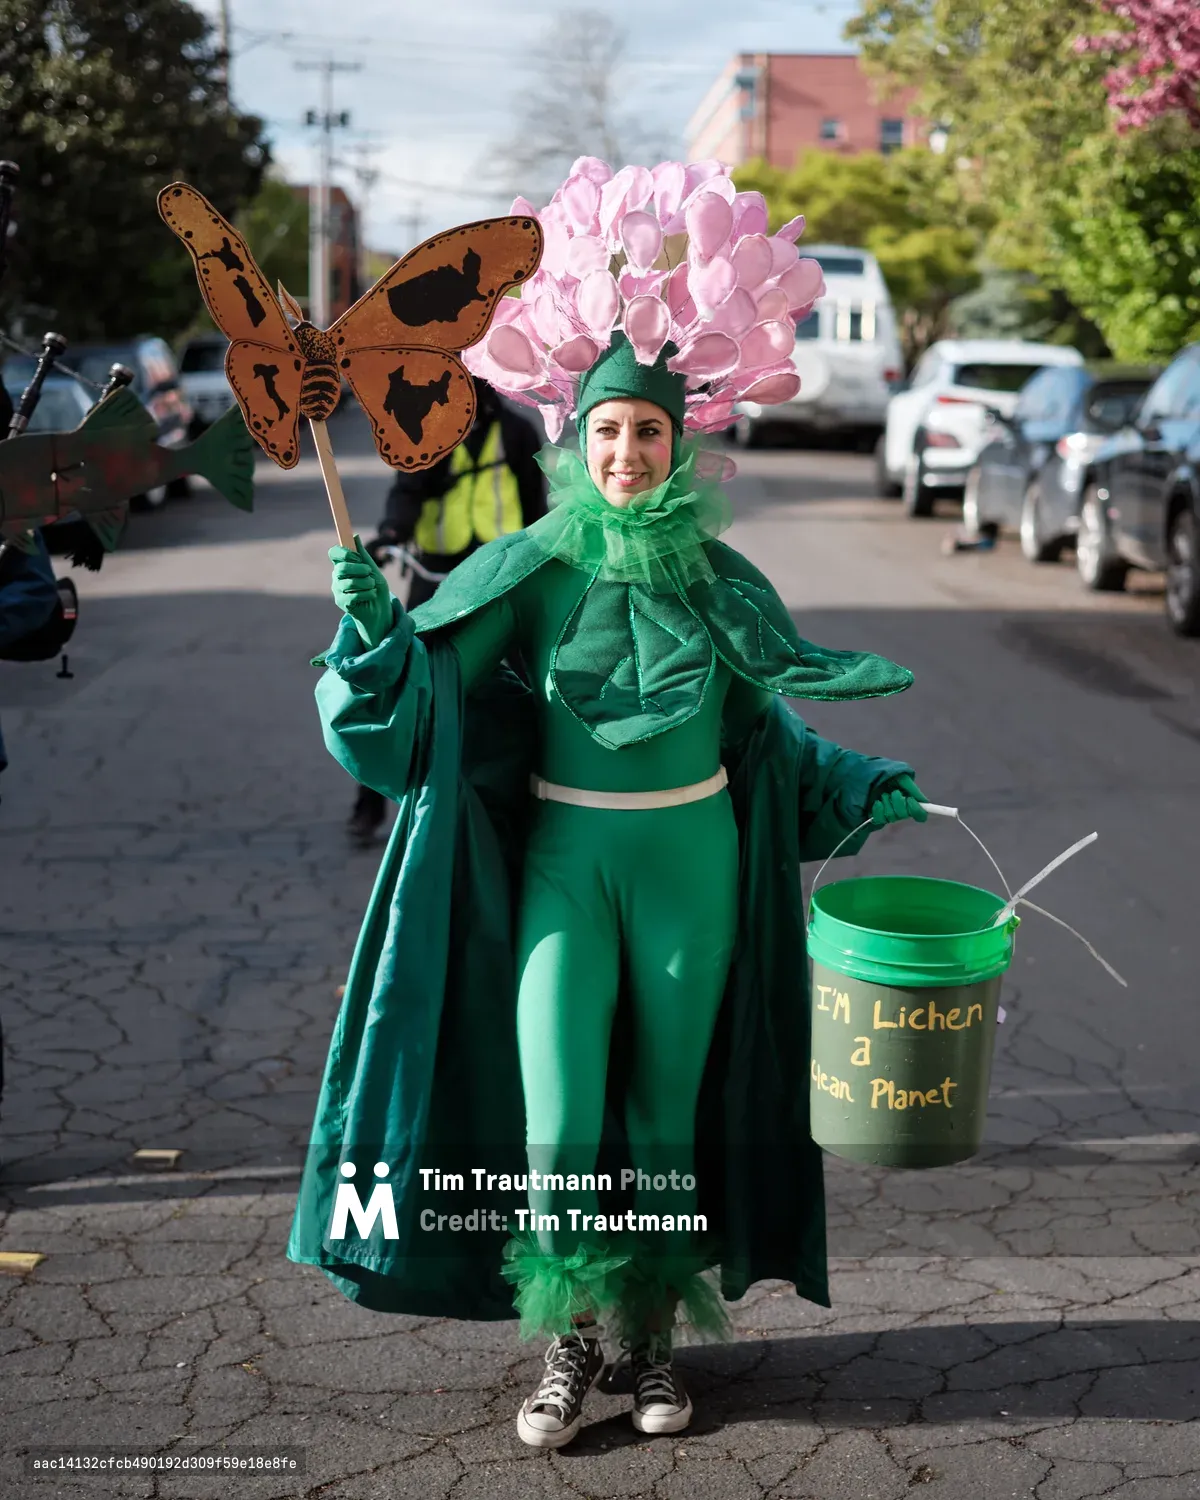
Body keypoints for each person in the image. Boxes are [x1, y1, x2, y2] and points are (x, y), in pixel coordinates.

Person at [289, 159, 928, 1451]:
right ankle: (568, 1342)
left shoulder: (721, 575)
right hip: (568, 864)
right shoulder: (529, 563)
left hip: (691, 861)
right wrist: (371, 638)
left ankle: (648, 1344)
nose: (628, 452)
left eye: (648, 431)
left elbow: (765, 721)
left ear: (680, 442)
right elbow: (427, 697)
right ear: (576, 444)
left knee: (659, 1117)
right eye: (607, 433)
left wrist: (857, 784)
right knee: (562, 1116)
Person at [345, 377, 546, 845]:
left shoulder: (517, 432)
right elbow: (408, 492)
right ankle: (369, 805)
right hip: (438, 574)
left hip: (502, 578)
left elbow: (535, 508)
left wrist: (545, 558)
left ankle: (539, 791)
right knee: (404, 682)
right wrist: (393, 533)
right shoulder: (428, 430)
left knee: (530, 680)